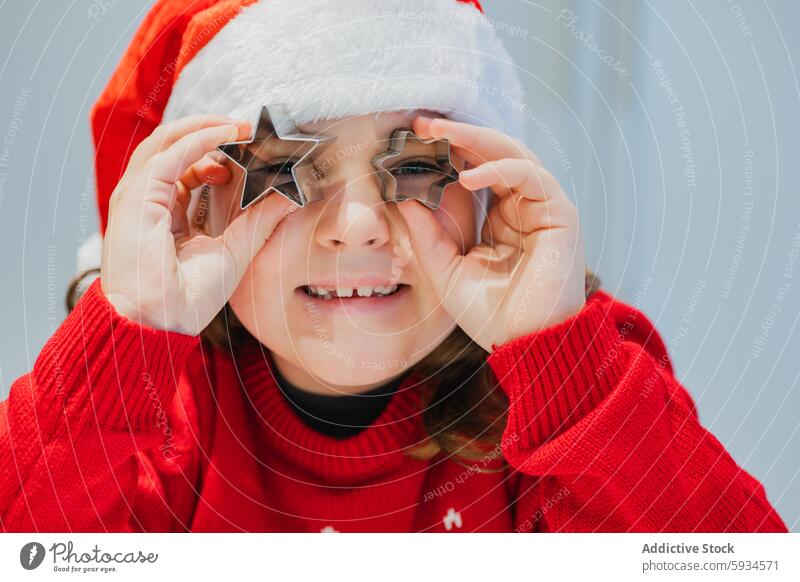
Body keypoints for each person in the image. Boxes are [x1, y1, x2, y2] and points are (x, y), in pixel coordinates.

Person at [0, 0, 787, 533]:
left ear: (488, 192)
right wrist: (129, 333)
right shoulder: (148, 408)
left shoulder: (580, 379)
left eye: (415, 164)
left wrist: (564, 361)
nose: (358, 227)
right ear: (195, 208)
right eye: (287, 166)